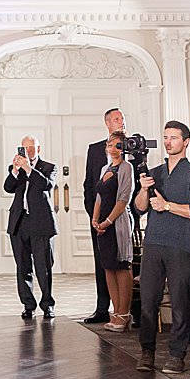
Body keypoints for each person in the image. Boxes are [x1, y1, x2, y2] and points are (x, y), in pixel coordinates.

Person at [133, 122, 190, 373]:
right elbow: (140, 207)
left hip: (181, 245)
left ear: (186, 142)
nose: (168, 142)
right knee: (148, 299)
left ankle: (177, 354)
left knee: (179, 301)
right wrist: (144, 190)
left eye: (174, 138)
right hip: (154, 242)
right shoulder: (155, 172)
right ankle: (147, 352)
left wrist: (168, 206)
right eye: (165, 137)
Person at [4, 135, 57, 320]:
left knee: (43, 267)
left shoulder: (49, 167)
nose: (28, 151)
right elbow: (8, 188)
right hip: (19, 223)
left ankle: (47, 304)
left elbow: (46, 185)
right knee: (23, 267)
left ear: (38, 149)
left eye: (31, 147)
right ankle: (28, 304)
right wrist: (16, 171)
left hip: (40, 223)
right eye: (24, 147)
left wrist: (29, 169)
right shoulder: (17, 169)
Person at [81, 108, 126, 324]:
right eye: (117, 119)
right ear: (107, 123)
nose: (122, 121)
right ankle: (102, 308)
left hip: (123, 216)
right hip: (99, 217)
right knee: (102, 262)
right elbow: (89, 185)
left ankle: (126, 310)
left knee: (124, 261)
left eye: (123, 118)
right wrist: (94, 216)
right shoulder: (94, 150)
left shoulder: (131, 148)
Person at [91, 131, 136, 332]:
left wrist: (108, 221)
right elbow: (99, 197)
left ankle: (125, 314)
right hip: (103, 225)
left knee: (122, 266)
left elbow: (123, 198)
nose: (112, 149)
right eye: (110, 145)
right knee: (108, 266)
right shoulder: (104, 168)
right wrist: (95, 219)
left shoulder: (126, 168)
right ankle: (115, 312)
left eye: (117, 145)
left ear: (123, 148)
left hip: (118, 223)